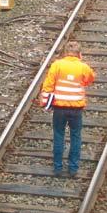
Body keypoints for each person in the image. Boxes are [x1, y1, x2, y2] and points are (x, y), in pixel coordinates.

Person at [40, 41, 95, 178]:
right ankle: (73, 168)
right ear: (79, 54)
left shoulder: (57, 65)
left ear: (64, 53)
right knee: (75, 136)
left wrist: (45, 103)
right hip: (76, 108)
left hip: (59, 108)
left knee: (59, 135)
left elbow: (48, 85)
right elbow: (89, 80)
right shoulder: (83, 67)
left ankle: (58, 168)